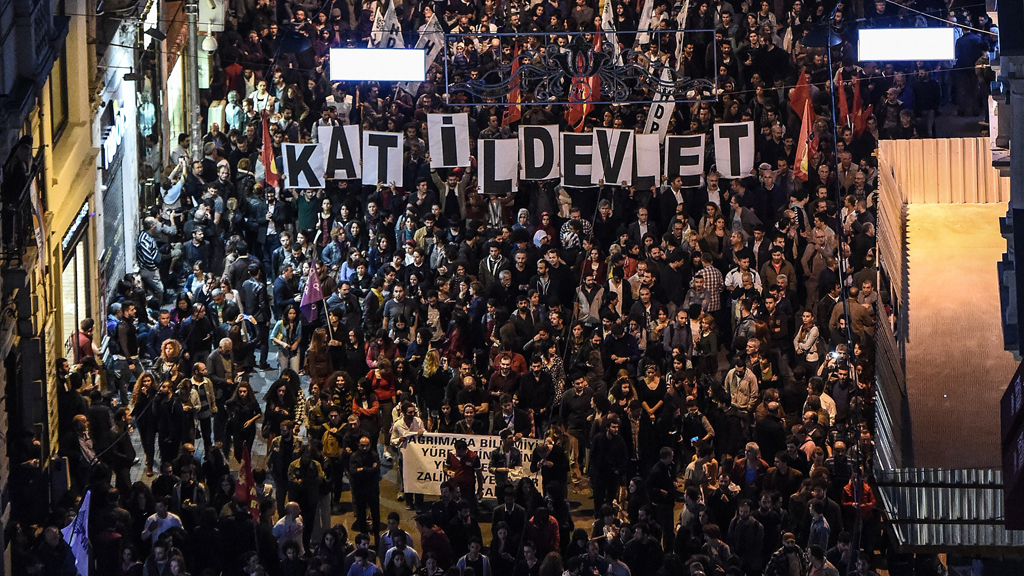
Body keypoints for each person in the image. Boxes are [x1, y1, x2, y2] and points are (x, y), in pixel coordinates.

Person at [350, 435, 382, 543]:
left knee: (375, 514)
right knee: (361, 515)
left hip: (372, 490)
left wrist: (362, 470)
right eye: (362, 446)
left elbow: (377, 470)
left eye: (367, 446)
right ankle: (364, 536)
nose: (364, 448)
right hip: (360, 491)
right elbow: (353, 472)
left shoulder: (374, 455)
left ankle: (377, 535)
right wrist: (369, 470)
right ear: (359, 445)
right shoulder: (354, 457)